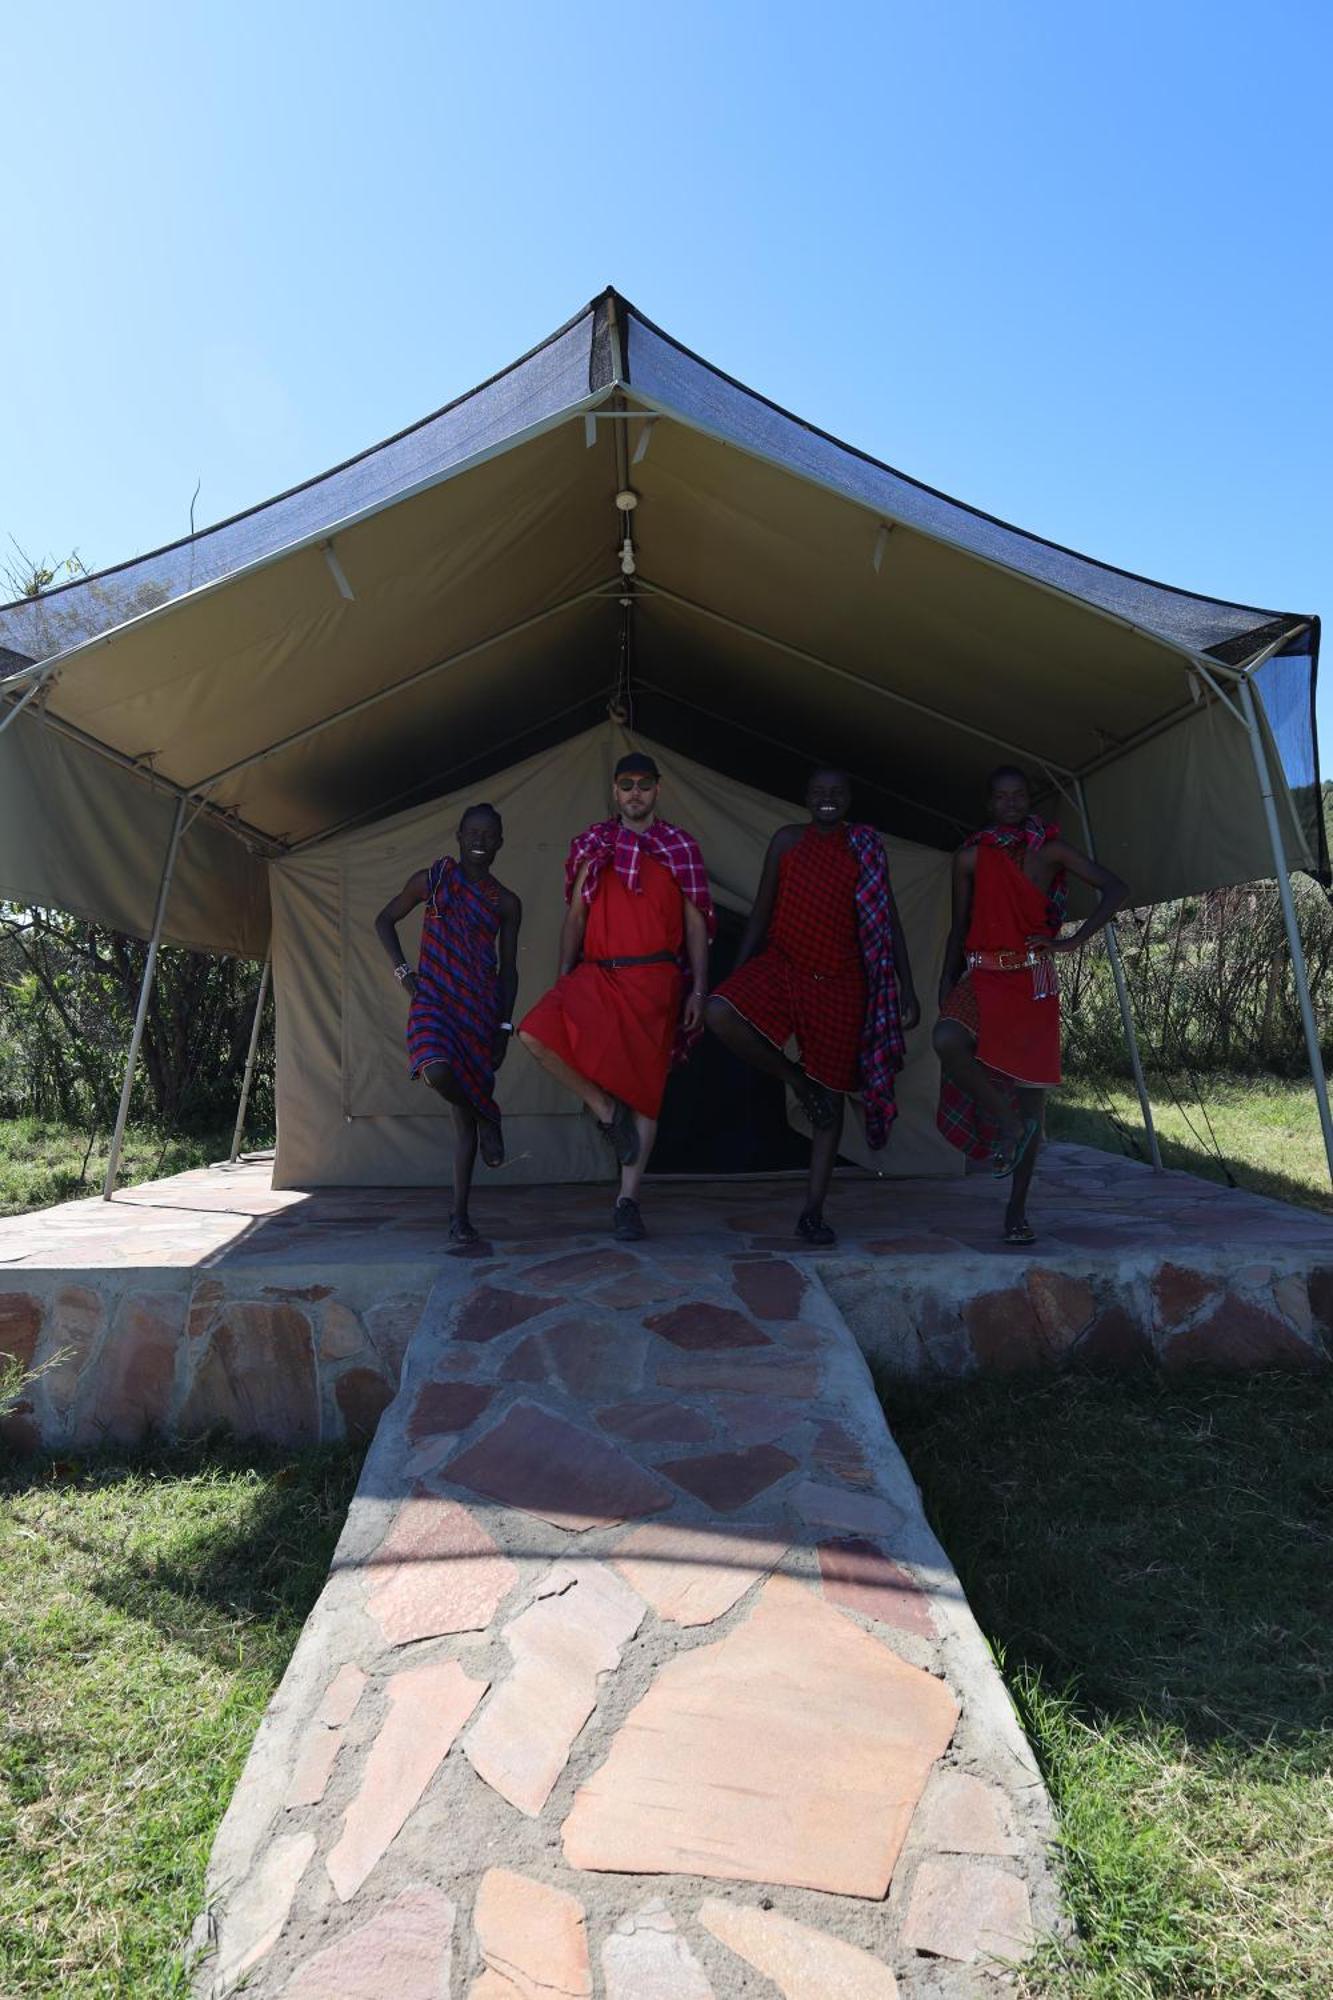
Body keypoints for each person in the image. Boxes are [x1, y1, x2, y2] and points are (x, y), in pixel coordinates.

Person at [705, 768, 920, 1246]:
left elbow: (888, 922)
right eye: (819, 792)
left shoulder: (863, 847)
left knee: (834, 1095)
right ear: (805, 798)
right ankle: (798, 1082)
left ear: (848, 800)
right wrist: (738, 972)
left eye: (836, 793)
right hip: (785, 963)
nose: (827, 800)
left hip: (842, 981)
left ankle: (812, 1212)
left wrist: (906, 985)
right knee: (719, 1011)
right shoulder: (787, 841)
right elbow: (761, 908)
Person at [518, 751, 714, 1241]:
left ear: (658, 789)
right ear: (614, 791)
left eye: (643, 784)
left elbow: (696, 925)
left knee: (646, 1092)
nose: (634, 793)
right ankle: (606, 1113)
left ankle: (628, 1201)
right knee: (535, 1032)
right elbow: (575, 919)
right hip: (599, 974)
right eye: (626, 784)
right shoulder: (594, 845)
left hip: (656, 981)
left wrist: (699, 988)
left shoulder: (679, 847)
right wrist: (564, 974)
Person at [933, 765, 1127, 1244]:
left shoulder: (1051, 850)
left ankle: (1016, 1214)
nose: (1011, 803)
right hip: (981, 973)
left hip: (1032, 976)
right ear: (989, 804)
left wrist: (1072, 940)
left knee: (1031, 1092)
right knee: (946, 1038)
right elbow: (959, 926)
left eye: (1019, 795)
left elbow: (1116, 888)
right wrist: (945, 980)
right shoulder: (971, 858)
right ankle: (1008, 1122)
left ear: (1028, 801)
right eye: (1001, 797)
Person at [374, 803, 521, 1244]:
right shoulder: (433, 880)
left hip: (479, 1009)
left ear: (499, 843)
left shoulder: (506, 902)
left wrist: (504, 1027)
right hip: (433, 999)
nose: (479, 840)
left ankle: (459, 1217)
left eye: (488, 834)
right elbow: (384, 920)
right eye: (472, 832)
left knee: (462, 1121)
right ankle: (488, 1114)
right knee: (436, 1069)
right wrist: (405, 974)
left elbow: (509, 970)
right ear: (458, 836)